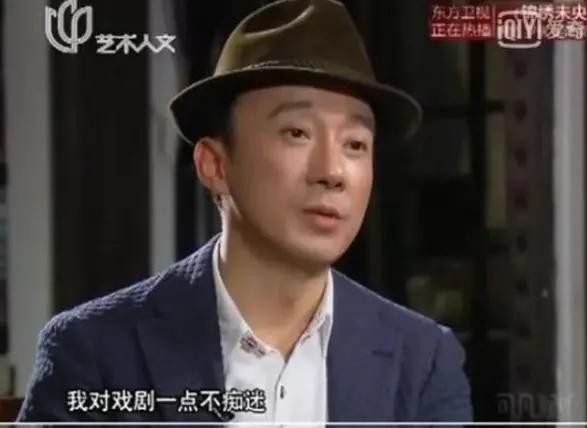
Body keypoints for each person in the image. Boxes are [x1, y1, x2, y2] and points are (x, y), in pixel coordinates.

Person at [17, 0, 472, 423]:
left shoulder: (423, 361)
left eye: (355, 144)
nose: (333, 172)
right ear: (215, 165)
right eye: (297, 133)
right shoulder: (93, 355)